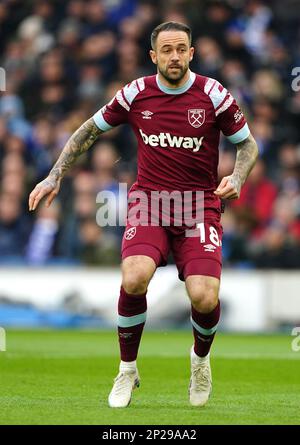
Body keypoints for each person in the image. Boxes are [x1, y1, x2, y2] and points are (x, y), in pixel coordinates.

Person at [29, 21, 258, 408]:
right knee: (135, 277)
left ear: (191, 53)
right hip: (149, 201)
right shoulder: (136, 93)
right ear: (153, 56)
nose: (174, 56)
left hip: (198, 205)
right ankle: (127, 369)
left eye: (181, 49)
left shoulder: (213, 94)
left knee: (204, 296)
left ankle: (200, 360)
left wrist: (236, 176)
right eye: (166, 50)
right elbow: (89, 129)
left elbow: (248, 146)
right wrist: (54, 175)